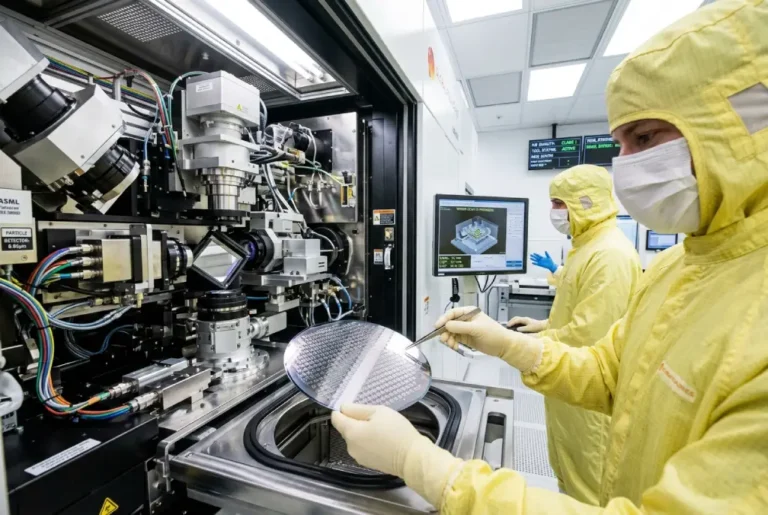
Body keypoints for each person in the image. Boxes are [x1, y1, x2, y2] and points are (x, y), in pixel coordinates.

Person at [331, 1, 768, 512]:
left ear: (738, 122)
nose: (626, 165)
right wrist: (505, 344)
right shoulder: (682, 266)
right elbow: (609, 371)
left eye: (645, 137)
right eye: (620, 145)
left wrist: (420, 462)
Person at [507, 165, 642, 504]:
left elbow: (588, 336)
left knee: (588, 489)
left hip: (587, 399)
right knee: (567, 477)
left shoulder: (609, 254)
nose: (554, 212)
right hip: (567, 392)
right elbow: (574, 308)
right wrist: (540, 327)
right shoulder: (587, 246)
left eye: (558, 203)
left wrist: (518, 345)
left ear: (585, 202)